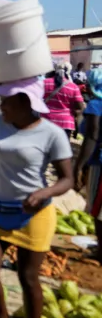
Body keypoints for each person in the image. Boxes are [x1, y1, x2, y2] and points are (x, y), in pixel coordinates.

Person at [0, 77, 73, 318]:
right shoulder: (1, 123)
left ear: (25, 102)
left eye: (6, 101)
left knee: (28, 277)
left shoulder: (52, 133)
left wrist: (44, 193)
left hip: (34, 213)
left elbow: (67, 180)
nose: (1, 107)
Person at [74, 67, 102, 261]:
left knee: (97, 209)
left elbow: (91, 138)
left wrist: (79, 166)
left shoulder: (95, 105)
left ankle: (101, 250)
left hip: (99, 163)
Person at [42, 63, 84, 139]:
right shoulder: (73, 87)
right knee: (62, 150)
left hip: (45, 121)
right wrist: (73, 113)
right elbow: (80, 108)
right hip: (65, 123)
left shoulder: (44, 83)